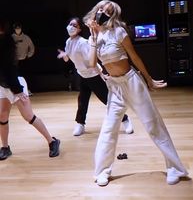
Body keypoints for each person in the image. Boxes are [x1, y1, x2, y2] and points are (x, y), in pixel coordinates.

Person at [83, 0, 188, 186]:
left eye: (107, 11)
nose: (102, 12)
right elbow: (91, 64)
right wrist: (92, 36)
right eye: (100, 8)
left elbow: (134, 57)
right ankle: (101, 171)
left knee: (153, 124)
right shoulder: (94, 37)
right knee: (108, 129)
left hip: (131, 81)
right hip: (114, 87)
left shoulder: (119, 31)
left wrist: (148, 79)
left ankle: (175, 168)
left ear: (113, 15)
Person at [57, 17, 133, 136]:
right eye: (70, 24)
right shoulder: (68, 42)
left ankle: (125, 119)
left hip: (93, 75)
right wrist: (64, 55)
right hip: (82, 75)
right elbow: (68, 57)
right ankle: (80, 124)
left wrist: (102, 74)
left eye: (74, 25)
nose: (71, 27)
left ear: (79, 29)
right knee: (82, 100)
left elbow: (92, 61)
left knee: (106, 100)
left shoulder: (83, 42)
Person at [0, 19, 60, 160]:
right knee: (2, 116)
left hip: (15, 85)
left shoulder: (6, 43)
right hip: (3, 85)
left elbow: (10, 70)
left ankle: (52, 141)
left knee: (29, 117)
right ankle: (5, 147)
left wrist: (18, 90)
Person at [12, 22, 35, 96]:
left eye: (19, 28)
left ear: (21, 29)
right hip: (14, 61)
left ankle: (27, 90)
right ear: (14, 29)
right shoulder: (11, 38)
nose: (18, 30)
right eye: (16, 28)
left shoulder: (26, 37)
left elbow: (32, 47)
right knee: (15, 76)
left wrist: (29, 55)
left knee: (26, 76)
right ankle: (16, 91)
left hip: (24, 60)